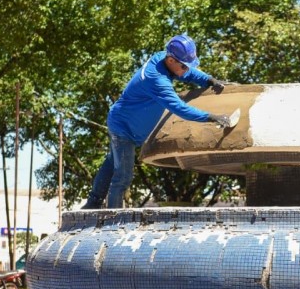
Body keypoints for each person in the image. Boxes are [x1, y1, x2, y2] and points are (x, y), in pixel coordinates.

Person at [81, 34, 230, 209]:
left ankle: (92, 203)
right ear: (171, 60)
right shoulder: (157, 79)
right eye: (183, 66)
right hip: (123, 129)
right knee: (122, 177)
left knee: (112, 162)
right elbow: (179, 108)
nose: (185, 70)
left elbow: (188, 74)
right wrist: (211, 117)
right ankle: (113, 221)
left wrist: (208, 80)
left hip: (124, 123)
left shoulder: (163, 60)